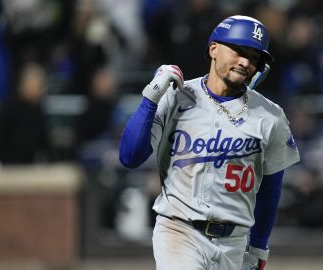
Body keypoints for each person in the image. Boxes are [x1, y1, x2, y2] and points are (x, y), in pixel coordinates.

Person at [119, 15, 300, 270]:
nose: (245, 61)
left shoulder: (271, 116)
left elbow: (271, 188)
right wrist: (151, 96)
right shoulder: (176, 97)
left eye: (254, 57)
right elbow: (130, 157)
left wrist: (259, 247)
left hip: (235, 242)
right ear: (213, 48)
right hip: (179, 231)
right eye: (238, 50)